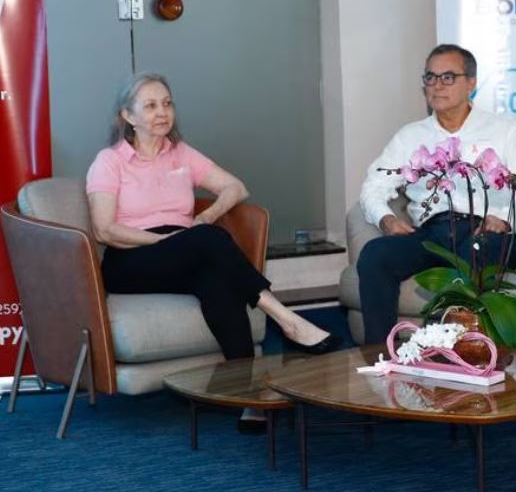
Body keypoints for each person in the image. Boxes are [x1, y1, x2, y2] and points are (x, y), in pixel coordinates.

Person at [86, 72, 339, 433]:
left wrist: (205, 216)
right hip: (130, 258)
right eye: (151, 105)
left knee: (216, 279)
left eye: (168, 103)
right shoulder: (109, 161)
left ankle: (249, 398)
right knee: (208, 241)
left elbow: (236, 187)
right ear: (128, 116)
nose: (163, 112)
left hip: (184, 250)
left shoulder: (181, 154)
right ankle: (286, 318)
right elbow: (104, 229)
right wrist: (164, 241)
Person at [357, 44, 516, 343]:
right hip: (434, 235)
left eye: (448, 77)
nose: (437, 86)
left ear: (471, 83)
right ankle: (380, 356)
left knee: (474, 250)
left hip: (491, 233)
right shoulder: (411, 137)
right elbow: (373, 186)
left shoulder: (505, 130)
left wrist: (505, 220)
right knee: (375, 255)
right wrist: (387, 220)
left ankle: (453, 350)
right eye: (430, 78)